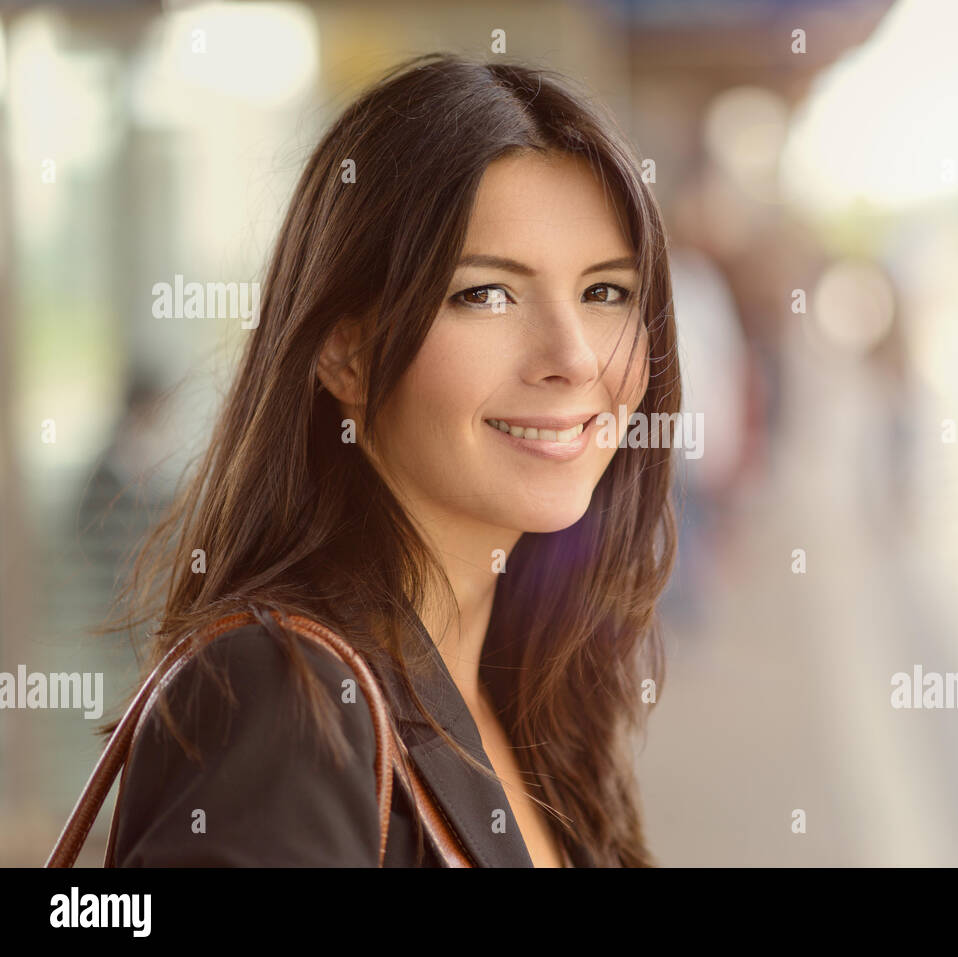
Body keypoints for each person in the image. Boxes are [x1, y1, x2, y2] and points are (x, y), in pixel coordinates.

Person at [100, 52, 680, 868]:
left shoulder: (529, 692)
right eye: (486, 293)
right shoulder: (285, 691)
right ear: (346, 351)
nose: (575, 358)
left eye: (606, 292)